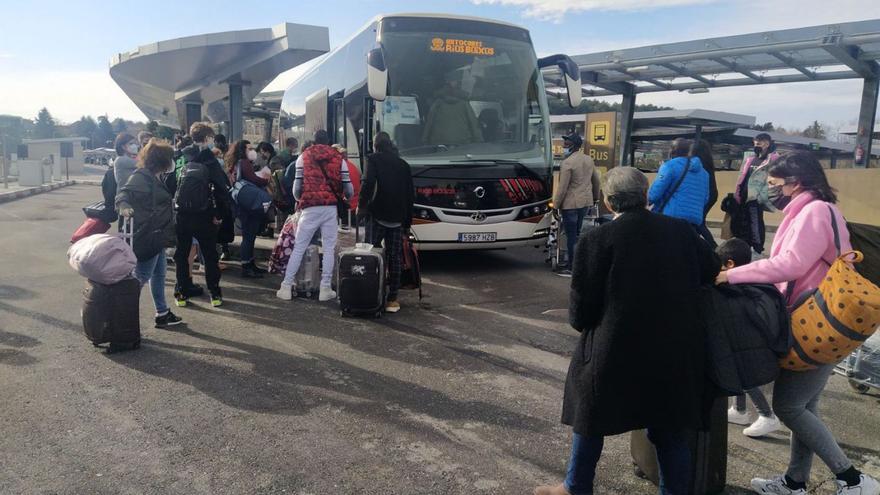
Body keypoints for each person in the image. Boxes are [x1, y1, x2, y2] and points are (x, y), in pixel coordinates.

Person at [535, 167, 719, 495]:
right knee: (670, 426)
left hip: (614, 350)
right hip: (675, 349)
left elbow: (580, 314)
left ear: (608, 202)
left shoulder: (596, 240)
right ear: (646, 195)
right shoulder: (680, 231)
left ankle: (575, 486)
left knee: (589, 416)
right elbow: (711, 269)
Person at [717, 152, 880, 495]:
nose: (771, 189)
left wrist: (732, 275)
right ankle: (795, 481)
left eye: (775, 183)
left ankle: (852, 479)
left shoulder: (815, 211)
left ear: (797, 182)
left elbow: (790, 264)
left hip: (816, 324)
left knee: (788, 406)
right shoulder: (808, 211)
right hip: (817, 322)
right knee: (805, 406)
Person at [276, 130, 353, 302]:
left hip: (309, 208)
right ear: (328, 141)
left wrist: (300, 199)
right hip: (330, 208)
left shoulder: (303, 157)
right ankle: (325, 288)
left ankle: (286, 286)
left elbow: (296, 189)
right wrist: (344, 198)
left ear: (314, 141)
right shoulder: (339, 158)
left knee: (300, 247)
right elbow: (349, 189)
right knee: (328, 248)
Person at [717, 238, 782, 438]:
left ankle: (767, 416)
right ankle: (739, 410)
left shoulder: (739, 284)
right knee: (739, 372)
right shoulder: (751, 278)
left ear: (730, 265)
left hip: (751, 344)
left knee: (745, 376)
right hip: (750, 342)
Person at [116, 139, 183, 328]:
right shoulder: (142, 177)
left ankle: (162, 313)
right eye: (169, 158)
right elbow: (122, 195)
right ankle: (117, 307)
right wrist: (124, 207)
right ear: (161, 161)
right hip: (148, 235)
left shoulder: (153, 177)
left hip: (157, 234)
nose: (172, 162)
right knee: (141, 276)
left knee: (159, 274)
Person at [173, 122, 232, 308]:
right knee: (209, 254)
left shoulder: (180, 156)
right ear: (207, 138)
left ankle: (181, 293)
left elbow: (170, 183)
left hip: (181, 214)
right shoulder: (208, 158)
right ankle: (214, 294)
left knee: (182, 254)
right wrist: (220, 214)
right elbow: (222, 189)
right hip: (204, 214)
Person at [358, 132, 414, 313]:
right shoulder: (403, 164)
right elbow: (410, 195)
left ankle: (370, 291)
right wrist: (407, 222)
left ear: (375, 145)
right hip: (397, 218)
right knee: (395, 257)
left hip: (377, 214)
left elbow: (367, 183)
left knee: (371, 253)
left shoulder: (372, 159)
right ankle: (392, 298)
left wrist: (361, 206)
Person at [552, 133, 599, 277]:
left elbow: (562, 188)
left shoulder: (567, 163)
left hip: (570, 204)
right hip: (585, 202)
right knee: (578, 234)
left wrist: (555, 205)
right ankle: (577, 264)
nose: (563, 146)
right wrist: (595, 198)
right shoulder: (589, 159)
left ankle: (572, 267)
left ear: (572, 145)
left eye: (565, 144)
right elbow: (596, 181)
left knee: (571, 236)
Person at [729, 133, 781, 254]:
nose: (757, 144)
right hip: (743, 195)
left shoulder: (773, 159)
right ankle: (744, 246)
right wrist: (737, 192)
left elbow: (775, 179)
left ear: (767, 143)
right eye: (756, 142)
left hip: (756, 198)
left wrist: (762, 195)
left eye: (760, 142)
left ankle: (758, 248)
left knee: (755, 222)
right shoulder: (750, 157)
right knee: (742, 221)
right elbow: (742, 175)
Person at [226, 139, 268, 278]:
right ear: (242, 150)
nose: (252, 151)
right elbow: (253, 180)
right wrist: (266, 179)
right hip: (250, 205)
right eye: (249, 148)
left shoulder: (235, 163)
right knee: (249, 236)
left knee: (248, 235)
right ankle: (247, 266)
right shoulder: (244, 163)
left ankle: (250, 264)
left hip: (243, 203)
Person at [648, 138, 710, 231]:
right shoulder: (704, 173)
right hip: (694, 220)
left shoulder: (669, 166)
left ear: (672, 151)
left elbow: (655, 194)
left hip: (671, 218)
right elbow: (705, 198)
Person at [421, 79, 483, 146]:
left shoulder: (437, 103)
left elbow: (429, 122)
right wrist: (479, 140)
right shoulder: (464, 104)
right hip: (462, 142)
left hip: (439, 143)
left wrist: (424, 139)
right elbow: (473, 122)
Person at [694, 139, 719, 247]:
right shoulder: (707, 161)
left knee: (699, 223)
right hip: (712, 194)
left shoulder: (697, 163)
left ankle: (714, 247)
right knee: (698, 222)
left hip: (705, 195)